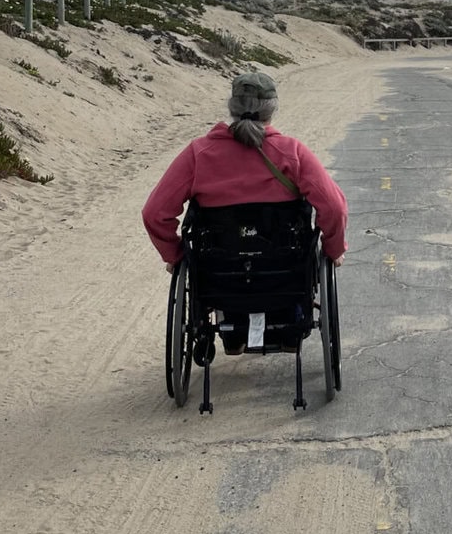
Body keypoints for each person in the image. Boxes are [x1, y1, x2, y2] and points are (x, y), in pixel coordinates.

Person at [142, 71, 348, 353]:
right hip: (285, 276)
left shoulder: (199, 154)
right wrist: (334, 249)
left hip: (220, 279)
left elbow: (154, 213)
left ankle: (233, 335)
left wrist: (175, 256)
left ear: (232, 107)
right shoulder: (292, 153)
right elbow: (334, 207)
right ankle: (290, 330)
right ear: (272, 108)